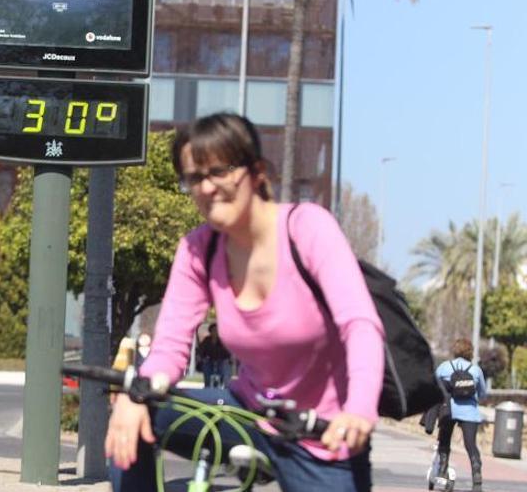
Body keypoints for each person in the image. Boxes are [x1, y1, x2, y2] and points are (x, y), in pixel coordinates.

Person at [105, 113, 385, 492]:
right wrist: (138, 392)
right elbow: (169, 347)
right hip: (245, 414)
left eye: (218, 172)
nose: (206, 188)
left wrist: (359, 410)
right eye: (194, 178)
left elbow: (360, 325)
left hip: (321, 433)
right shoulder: (198, 249)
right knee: (134, 418)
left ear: (255, 172)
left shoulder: (307, 229)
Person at [434, 338, 487, 492]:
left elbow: (434, 386)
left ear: (455, 350)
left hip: (448, 410)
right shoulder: (475, 370)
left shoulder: (444, 367)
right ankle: (477, 478)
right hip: (470, 412)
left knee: (444, 441)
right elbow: (483, 394)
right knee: (471, 445)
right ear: (470, 352)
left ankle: (442, 472)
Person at [196, 323, 232, 388]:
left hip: (221, 360)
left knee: (225, 366)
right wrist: (200, 357)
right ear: (210, 331)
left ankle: (226, 386)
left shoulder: (223, 340)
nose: (215, 332)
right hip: (209, 360)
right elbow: (201, 350)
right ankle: (207, 385)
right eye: (213, 330)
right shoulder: (207, 340)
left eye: (216, 330)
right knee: (206, 365)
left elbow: (228, 352)